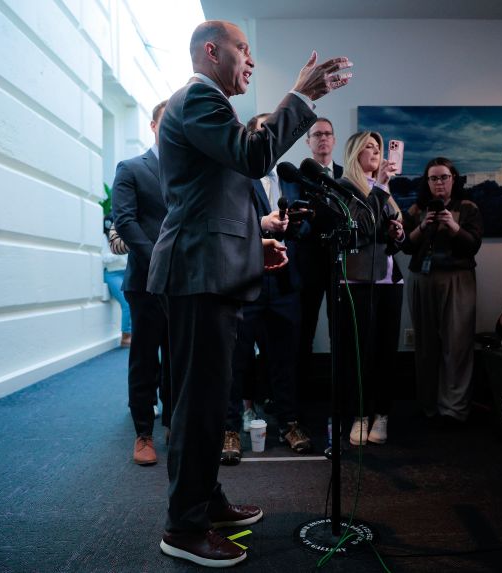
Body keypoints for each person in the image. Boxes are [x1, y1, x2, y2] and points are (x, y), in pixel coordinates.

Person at [148, 20, 351, 568]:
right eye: (244, 49)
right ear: (212, 52)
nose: (252, 60)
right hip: (196, 275)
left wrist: (252, 245)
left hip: (210, 269)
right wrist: (300, 95)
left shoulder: (207, 104)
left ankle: (207, 501)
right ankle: (183, 527)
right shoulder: (198, 98)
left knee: (213, 400)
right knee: (199, 404)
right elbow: (255, 155)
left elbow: (211, 199)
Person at [221, 113, 311, 466]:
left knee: (286, 360)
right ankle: (229, 429)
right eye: (263, 131)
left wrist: (293, 226)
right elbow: (229, 225)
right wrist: (264, 229)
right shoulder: (235, 177)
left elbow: (307, 227)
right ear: (251, 139)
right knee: (236, 360)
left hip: (285, 284)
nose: (271, 137)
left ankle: (289, 423)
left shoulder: (292, 178)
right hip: (246, 282)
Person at [334, 131, 404, 446]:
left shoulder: (381, 187)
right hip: (357, 281)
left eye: (378, 147)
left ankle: (382, 414)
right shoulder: (344, 187)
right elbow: (360, 229)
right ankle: (360, 415)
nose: (376, 152)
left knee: (386, 352)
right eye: (369, 147)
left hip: (389, 281)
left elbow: (393, 235)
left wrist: (398, 233)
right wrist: (382, 188)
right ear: (354, 153)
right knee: (359, 353)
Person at [401, 157, 483, 424]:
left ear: (453, 179)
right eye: (433, 178)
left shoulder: (467, 208)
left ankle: (454, 409)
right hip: (422, 278)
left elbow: (473, 245)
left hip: (457, 278)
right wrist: (423, 226)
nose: (439, 183)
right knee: (425, 345)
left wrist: (453, 226)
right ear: (427, 181)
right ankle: (429, 405)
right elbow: (406, 246)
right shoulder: (417, 209)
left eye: (444, 177)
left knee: (457, 344)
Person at [112, 101, 171, 466]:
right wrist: (159, 258)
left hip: (185, 282)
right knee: (145, 359)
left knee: (178, 360)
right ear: (153, 126)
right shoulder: (131, 168)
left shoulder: (191, 169)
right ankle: (144, 433)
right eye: (166, 121)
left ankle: (175, 424)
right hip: (146, 280)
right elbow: (125, 220)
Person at [281, 118, 344, 388]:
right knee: (304, 327)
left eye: (327, 133)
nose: (323, 138)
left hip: (340, 261)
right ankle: (301, 391)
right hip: (308, 262)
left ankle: (341, 389)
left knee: (340, 328)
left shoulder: (345, 175)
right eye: (317, 134)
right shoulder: (297, 176)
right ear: (308, 142)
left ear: (334, 140)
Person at [101, 216, 131, 347]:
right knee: (126, 302)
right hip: (112, 274)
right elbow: (104, 258)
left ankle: (134, 333)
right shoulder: (103, 237)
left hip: (127, 272)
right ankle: (126, 336)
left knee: (135, 300)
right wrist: (119, 252)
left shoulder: (125, 234)